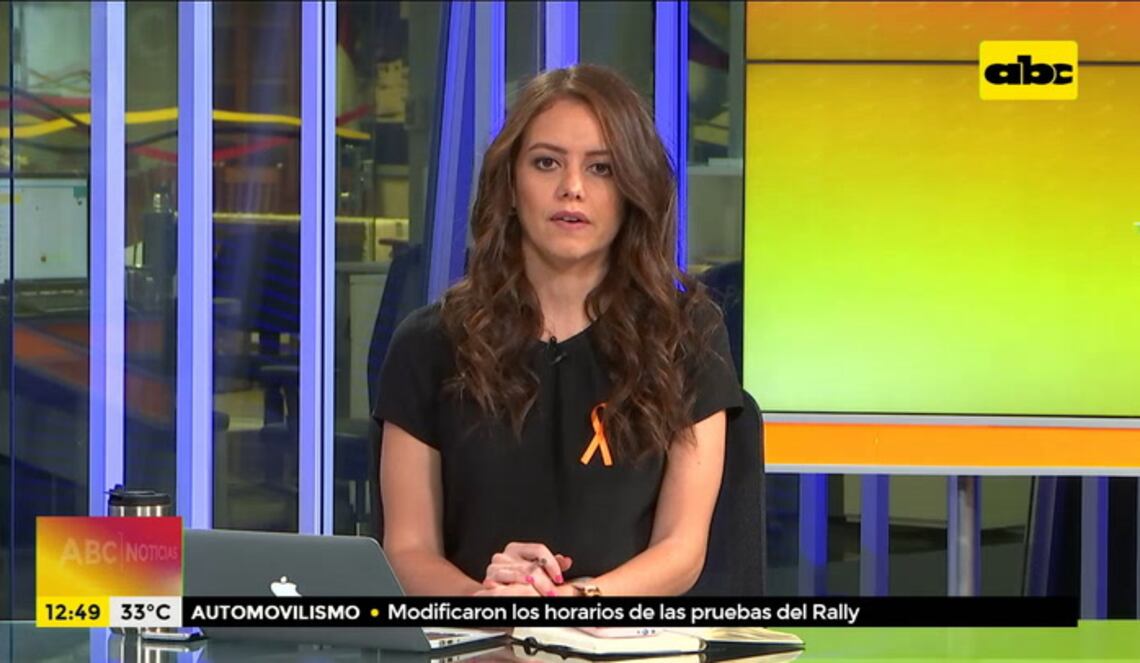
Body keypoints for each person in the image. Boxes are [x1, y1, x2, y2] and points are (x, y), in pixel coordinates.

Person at [373, 64, 741, 597]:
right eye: (546, 163)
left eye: (601, 168)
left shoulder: (686, 335)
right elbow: (408, 551)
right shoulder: (428, 345)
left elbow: (682, 549)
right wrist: (486, 602)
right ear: (510, 183)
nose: (572, 189)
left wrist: (575, 602)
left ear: (633, 189)